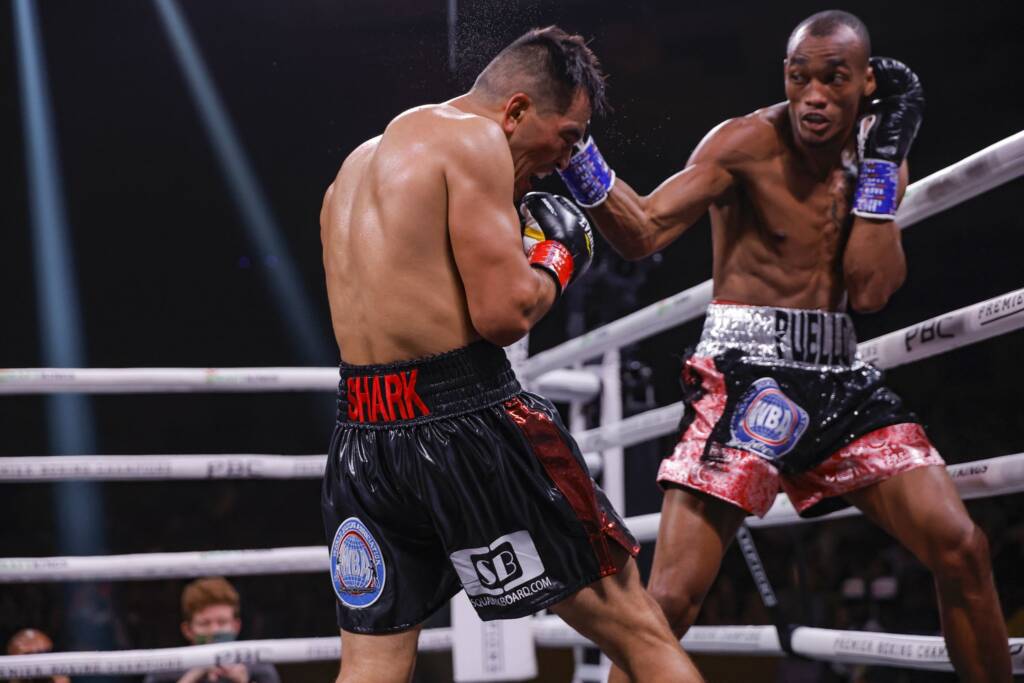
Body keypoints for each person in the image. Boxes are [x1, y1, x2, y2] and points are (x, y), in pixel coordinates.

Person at [556, 10, 1011, 683]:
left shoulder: (876, 155)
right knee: (672, 599)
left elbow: (871, 291)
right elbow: (644, 229)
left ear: (866, 83)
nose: (814, 97)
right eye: (801, 78)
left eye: (834, 79)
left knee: (962, 547)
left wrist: (881, 171)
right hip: (744, 374)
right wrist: (575, 152)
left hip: (839, 377)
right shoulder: (743, 143)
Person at [318, 25, 703, 683]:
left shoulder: (357, 165)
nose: (565, 160)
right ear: (517, 109)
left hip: (364, 439)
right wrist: (557, 254)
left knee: (371, 663)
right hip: (466, 422)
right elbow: (503, 315)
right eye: (569, 137)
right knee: (637, 627)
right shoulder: (475, 141)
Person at [142, 577, 280, 683]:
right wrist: (193, 675)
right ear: (188, 630)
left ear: (236, 626)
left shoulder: (258, 667)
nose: (214, 630)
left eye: (222, 622)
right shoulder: (166, 668)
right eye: (205, 623)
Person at [5, 628, 70, 683]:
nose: (36, 660)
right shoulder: (6, 675)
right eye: (29, 654)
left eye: (42, 652)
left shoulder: (59, 679)